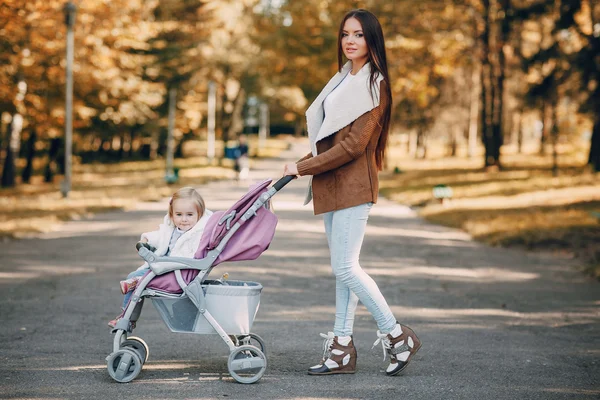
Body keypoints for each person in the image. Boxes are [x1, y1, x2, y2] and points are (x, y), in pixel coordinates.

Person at [282, 9, 421, 376]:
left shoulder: (375, 84)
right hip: (332, 184)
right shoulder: (344, 79)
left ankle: (396, 334)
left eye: (358, 34)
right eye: (345, 34)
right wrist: (301, 163)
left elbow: (354, 146)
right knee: (344, 271)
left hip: (355, 184)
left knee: (345, 267)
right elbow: (331, 137)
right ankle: (342, 347)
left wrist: (302, 168)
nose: (349, 41)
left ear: (371, 39)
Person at [108, 187, 213, 328]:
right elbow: (159, 236)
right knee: (132, 276)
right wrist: (146, 240)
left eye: (189, 215)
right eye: (179, 214)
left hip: (178, 272)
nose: (184, 219)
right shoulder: (171, 229)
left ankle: (137, 284)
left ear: (199, 215)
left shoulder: (197, 235)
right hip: (161, 267)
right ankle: (128, 317)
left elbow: (192, 255)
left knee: (139, 283)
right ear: (172, 215)